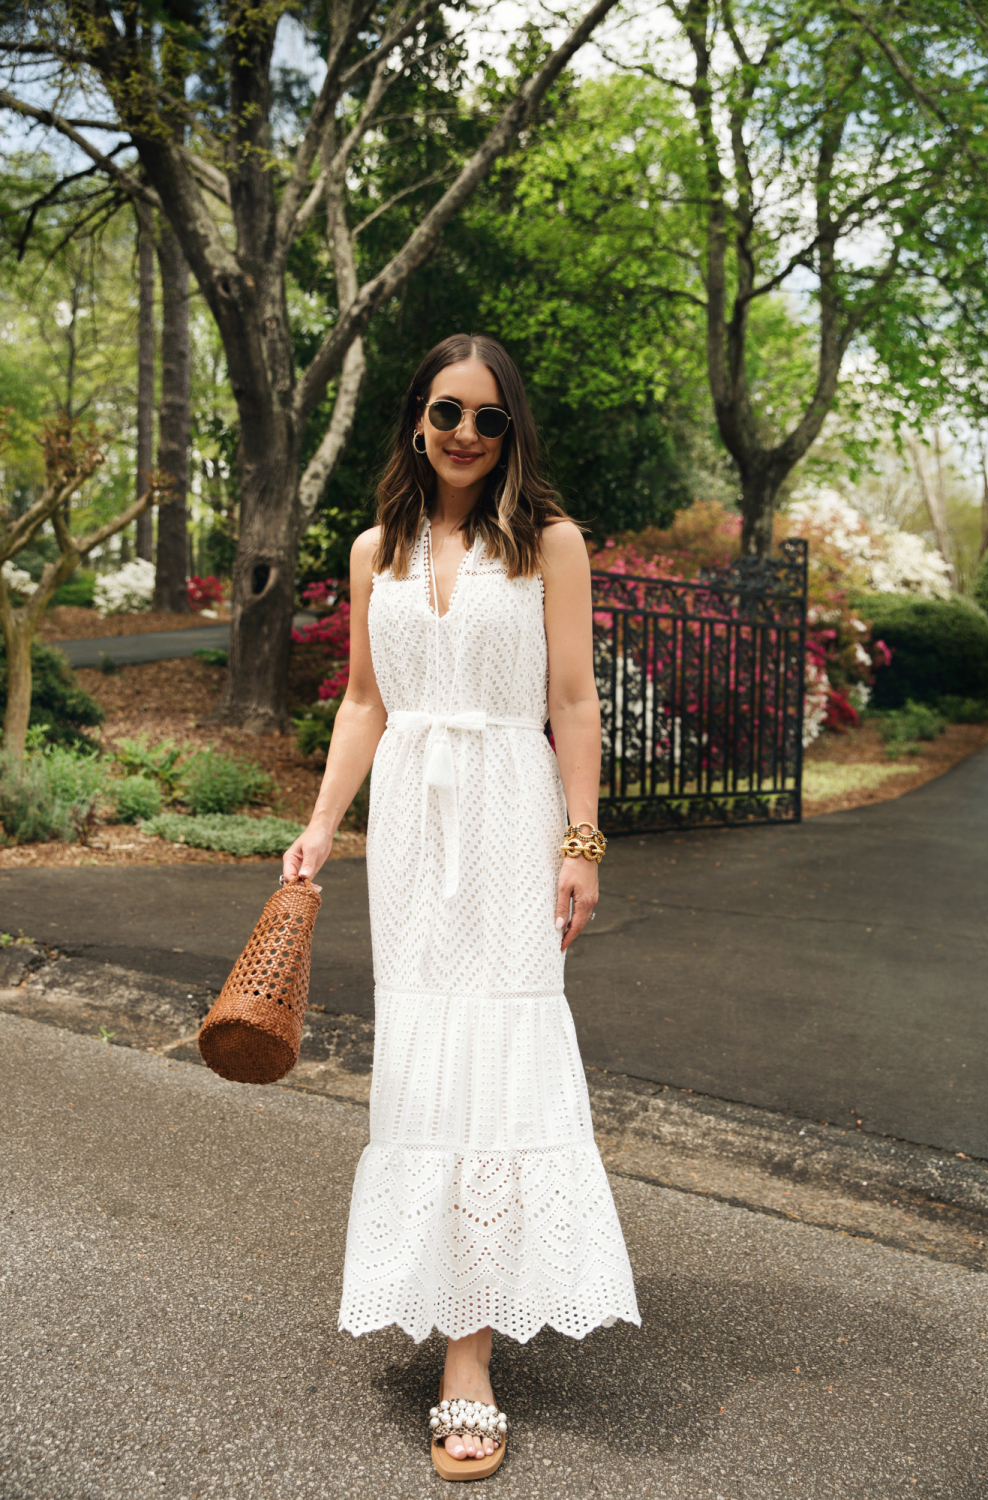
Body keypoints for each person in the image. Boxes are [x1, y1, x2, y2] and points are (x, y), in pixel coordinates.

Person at [282, 333, 640, 1480]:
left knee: (502, 1047)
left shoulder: (551, 545)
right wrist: (323, 823)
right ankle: (441, 1293)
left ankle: (468, 1359)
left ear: (511, 430)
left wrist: (580, 841)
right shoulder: (373, 549)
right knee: (426, 1055)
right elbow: (363, 701)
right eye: (448, 412)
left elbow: (574, 702)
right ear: (416, 417)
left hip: (508, 814)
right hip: (408, 832)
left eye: (489, 419)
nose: (467, 436)